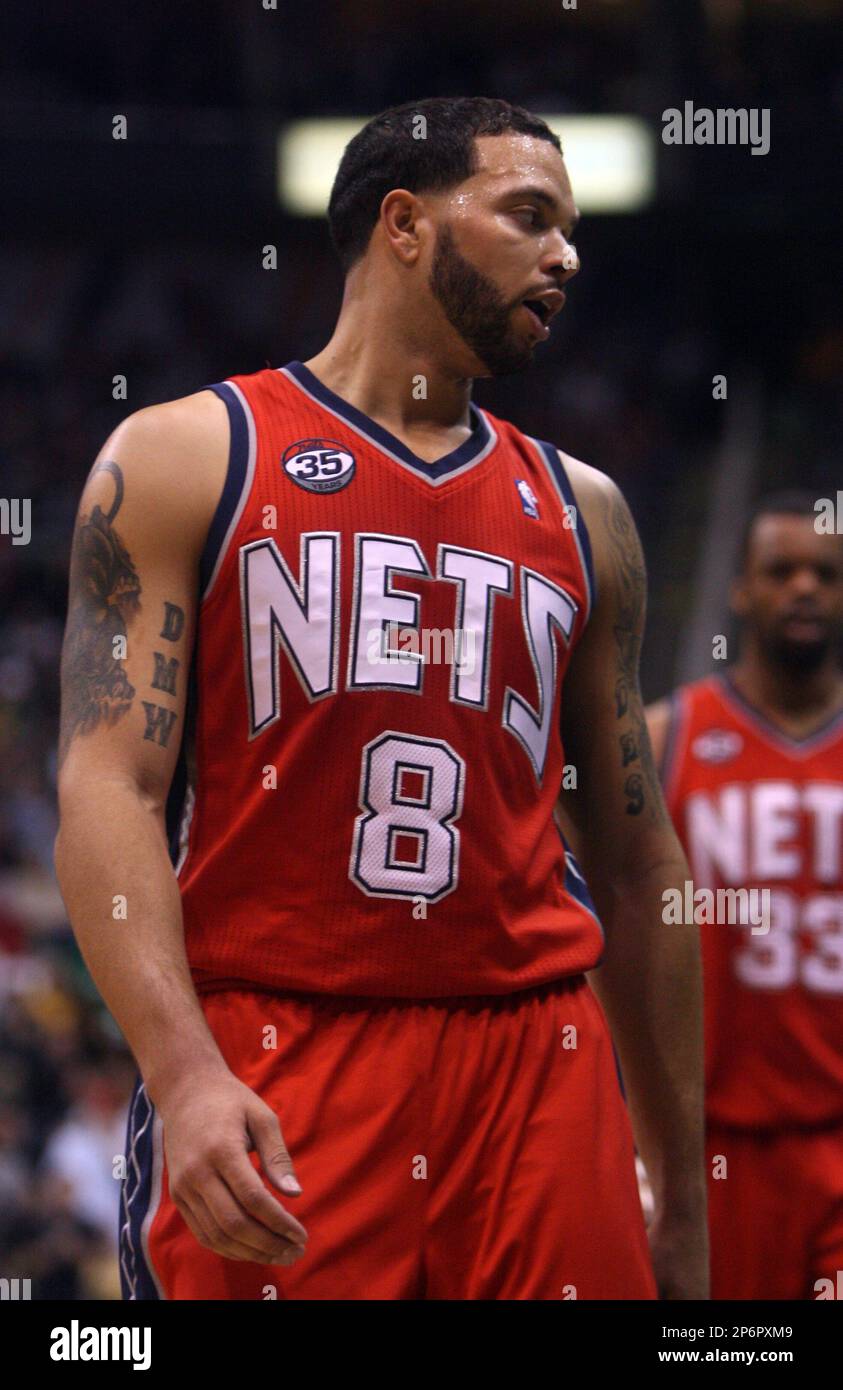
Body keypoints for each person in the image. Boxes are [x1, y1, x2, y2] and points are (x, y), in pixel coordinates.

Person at [55, 96, 706, 1301]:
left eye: (572, 229)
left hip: (537, 1052)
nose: (566, 254)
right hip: (282, 1041)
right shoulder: (185, 455)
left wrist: (681, 1174)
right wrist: (184, 1070)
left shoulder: (588, 512)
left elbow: (633, 850)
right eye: (529, 216)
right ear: (404, 223)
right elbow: (108, 786)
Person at [646, 491, 843, 1299]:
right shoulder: (666, 738)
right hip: (706, 1148)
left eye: (825, 574)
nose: (803, 588)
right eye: (780, 570)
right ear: (739, 590)